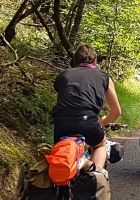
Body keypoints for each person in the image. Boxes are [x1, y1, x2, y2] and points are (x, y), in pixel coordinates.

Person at [52, 45, 121, 174]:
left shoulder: (63, 75)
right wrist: (103, 122)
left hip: (61, 123)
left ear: (75, 61)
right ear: (95, 61)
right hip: (87, 121)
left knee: (60, 150)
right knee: (100, 145)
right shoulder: (103, 77)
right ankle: (95, 176)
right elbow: (116, 111)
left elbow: (62, 100)